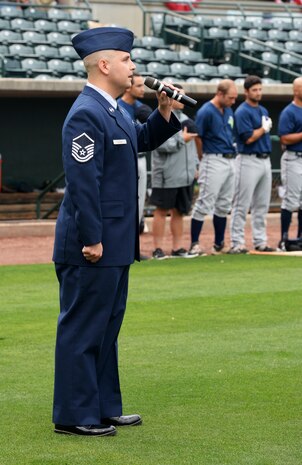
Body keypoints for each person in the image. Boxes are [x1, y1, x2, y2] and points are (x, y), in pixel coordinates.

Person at [52, 26, 181, 437]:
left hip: (116, 240)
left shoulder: (113, 108)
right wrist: (92, 237)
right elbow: (83, 181)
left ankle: (103, 406)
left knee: (106, 328)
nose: (134, 65)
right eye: (127, 59)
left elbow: (140, 139)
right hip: (94, 242)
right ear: (104, 64)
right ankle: (74, 416)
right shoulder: (87, 112)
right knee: (83, 328)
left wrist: (163, 110)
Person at [150, 84, 200, 259]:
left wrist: (195, 166)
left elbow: (192, 146)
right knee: (161, 210)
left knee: (179, 211)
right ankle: (157, 248)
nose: (183, 100)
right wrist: (181, 139)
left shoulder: (186, 119)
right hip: (166, 175)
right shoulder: (161, 117)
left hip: (184, 175)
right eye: (179, 95)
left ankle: (178, 247)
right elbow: (162, 145)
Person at [188, 79, 238, 256]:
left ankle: (219, 243)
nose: (233, 101)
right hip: (213, 158)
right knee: (205, 202)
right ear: (220, 94)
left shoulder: (228, 109)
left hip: (230, 158)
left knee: (224, 204)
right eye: (230, 98)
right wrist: (203, 159)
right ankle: (194, 243)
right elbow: (198, 137)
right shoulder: (206, 111)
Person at [228, 75, 275, 254]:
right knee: (242, 203)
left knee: (262, 204)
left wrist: (263, 131)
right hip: (248, 159)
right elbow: (248, 139)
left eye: (260, 89)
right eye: (254, 90)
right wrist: (263, 129)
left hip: (265, 159)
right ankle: (237, 242)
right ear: (246, 92)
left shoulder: (262, 109)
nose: (258, 93)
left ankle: (260, 241)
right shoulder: (242, 111)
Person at [118, 73, 152, 244]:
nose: (143, 89)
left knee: (139, 201)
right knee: (125, 201)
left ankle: (132, 246)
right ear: (128, 87)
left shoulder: (142, 108)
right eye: (138, 86)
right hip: (123, 161)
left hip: (140, 158)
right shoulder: (117, 106)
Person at [277, 76, 302, 250]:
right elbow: (284, 138)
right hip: (293, 157)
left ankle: (300, 238)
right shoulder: (289, 111)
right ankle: (284, 239)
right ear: (295, 90)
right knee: (291, 200)